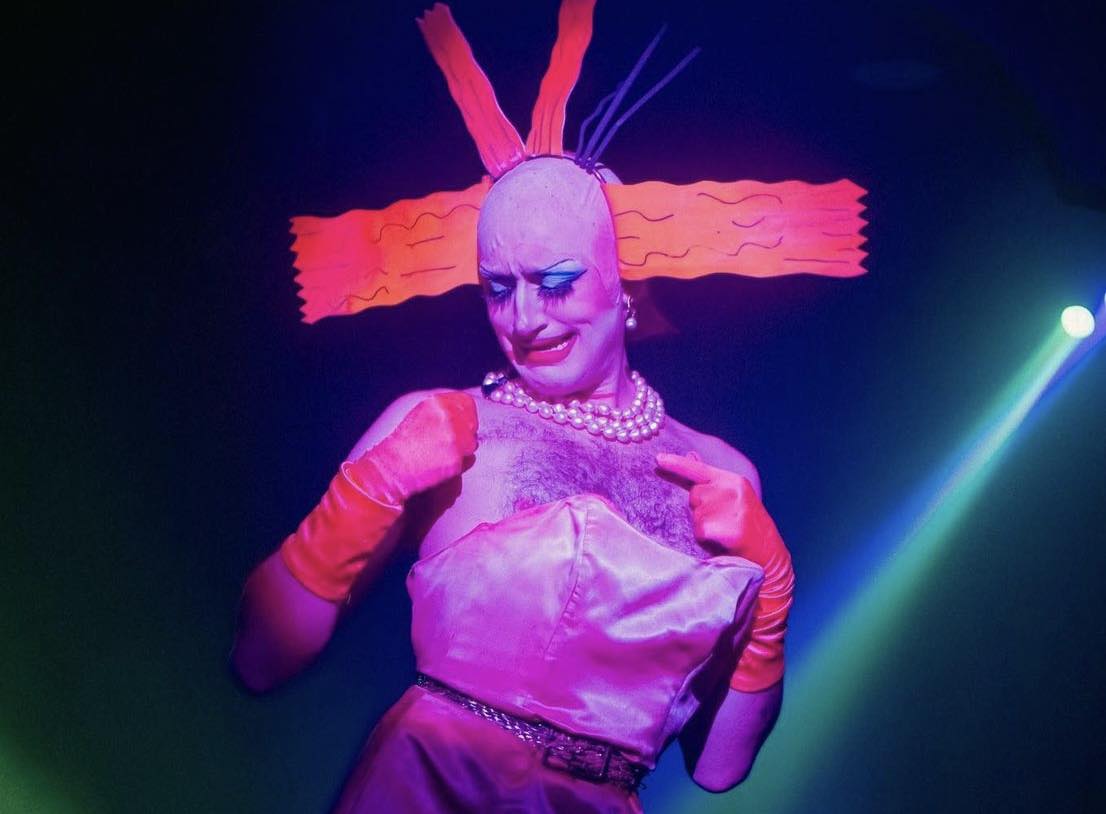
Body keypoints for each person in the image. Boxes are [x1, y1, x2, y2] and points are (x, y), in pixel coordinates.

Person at [232, 2, 866, 810]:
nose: (525, 318)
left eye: (556, 282)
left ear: (624, 284)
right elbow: (258, 660)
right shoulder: (441, 426)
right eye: (499, 289)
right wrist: (368, 490)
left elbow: (720, 768)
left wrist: (773, 591)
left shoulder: (718, 473)